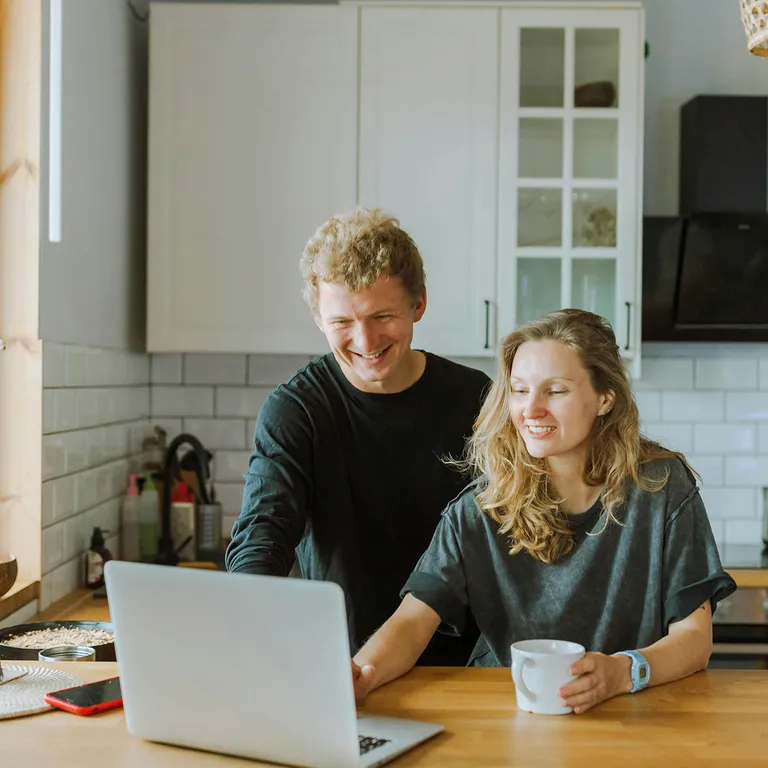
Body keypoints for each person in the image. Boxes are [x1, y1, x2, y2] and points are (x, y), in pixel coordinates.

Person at [352, 308, 736, 712]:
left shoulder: (661, 487)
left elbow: (695, 638)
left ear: (605, 398)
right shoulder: (481, 508)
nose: (531, 410)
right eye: (520, 390)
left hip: (630, 713)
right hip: (509, 714)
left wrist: (622, 672)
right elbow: (412, 622)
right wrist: (363, 674)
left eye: (555, 391)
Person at [225, 208, 491, 665]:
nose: (365, 340)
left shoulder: (477, 401)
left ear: (419, 305)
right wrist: (248, 608)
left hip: (465, 667)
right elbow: (264, 530)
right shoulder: (296, 410)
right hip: (342, 665)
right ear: (319, 319)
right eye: (342, 322)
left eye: (382, 315)